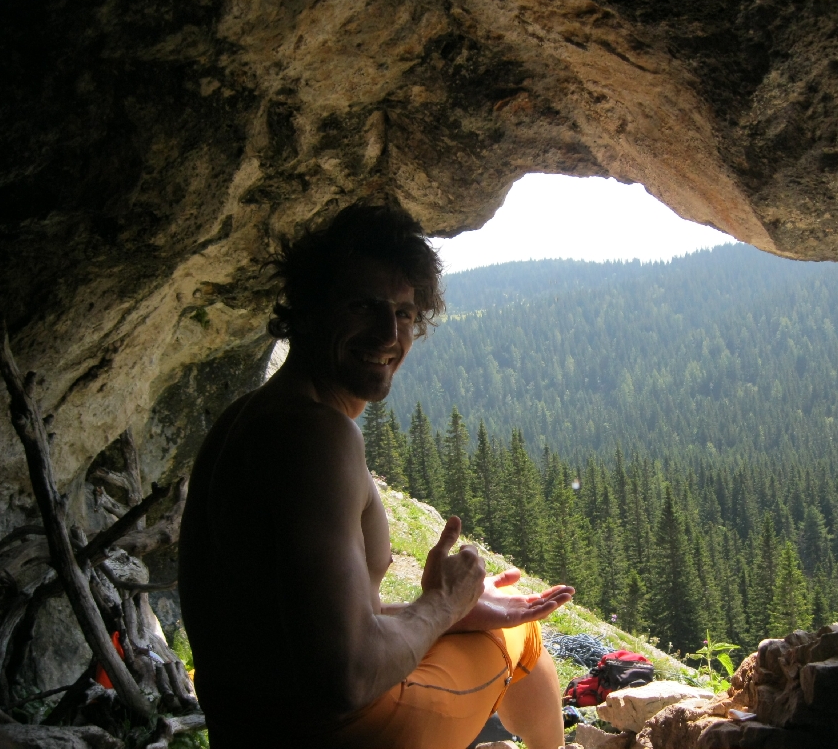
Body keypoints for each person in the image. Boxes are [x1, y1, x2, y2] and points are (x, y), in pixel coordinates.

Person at [178, 203, 574, 749]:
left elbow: (295, 625)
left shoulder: (246, 418)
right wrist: (442, 605)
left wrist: (446, 610)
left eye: (405, 313)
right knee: (522, 632)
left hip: (246, 732)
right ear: (308, 310)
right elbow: (346, 677)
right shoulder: (319, 436)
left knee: (485, 621)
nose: (389, 334)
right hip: (343, 733)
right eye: (363, 306)